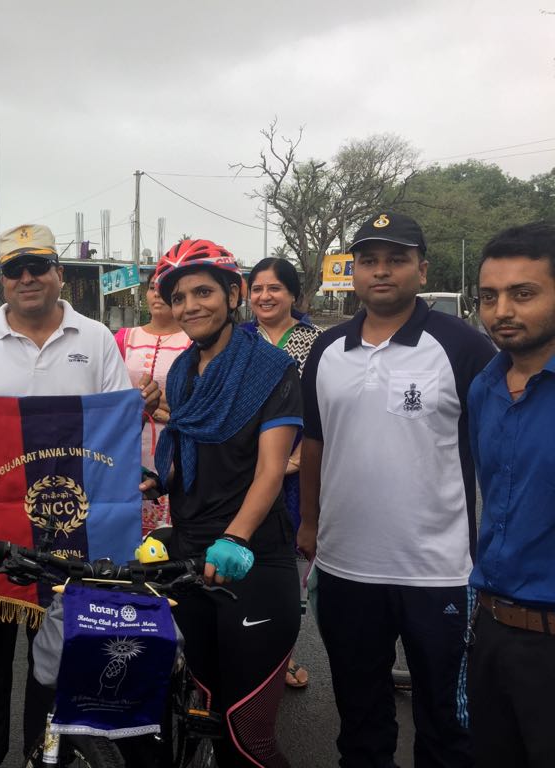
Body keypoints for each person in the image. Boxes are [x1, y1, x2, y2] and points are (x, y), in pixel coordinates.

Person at [0, 223, 158, 768]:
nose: (27, 278)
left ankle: (46, 758)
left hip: (74, 542)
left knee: (56, 672)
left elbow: (114, 432)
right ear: (3, 281)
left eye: (38, 267)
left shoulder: (96, 338)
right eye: (15, 270)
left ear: (59, 273)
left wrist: (139, 403)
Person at [298, 211, 494, 767]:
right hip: (345, 568)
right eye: (368, 260)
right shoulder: (327, 349)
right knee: (360, 720)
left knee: (447, 723)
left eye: (396, 259)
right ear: (352, 271)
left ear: (421, 268)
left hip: (440, 570)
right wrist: (309, 522)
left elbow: (498, 447)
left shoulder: (462, 346)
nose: (381, 271)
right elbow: (313, 443)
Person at [141, 239, 302, 767]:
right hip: (190, 553)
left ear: (233, 294)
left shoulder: (270, 369)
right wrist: (155, 481)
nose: (192, 306)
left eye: (204, 291)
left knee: (244, 732)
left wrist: (235, 537)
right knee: (204, 706)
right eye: (180, 296)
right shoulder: (185, 371)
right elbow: (185, 451)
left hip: (249, 559)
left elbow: (270, 469)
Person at [467, 222, 555, 767]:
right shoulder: (486, 386)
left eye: (524, 294)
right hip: (492, 629)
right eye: (490, 296)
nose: (502, 310)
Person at [240, 257, 322, 690]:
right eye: (257, 289)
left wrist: (294, 463)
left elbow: (324, 410)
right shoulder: (238, 340)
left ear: (293, 294)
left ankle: (281, 657)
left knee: (283, 569)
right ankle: (239, 644)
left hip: (297, 470)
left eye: (275, 288)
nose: (265, 296)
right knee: (238, 554)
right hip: (240, 470)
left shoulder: (316, 342)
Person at [114, 271, 191, 535]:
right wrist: (148, 408)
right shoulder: (125, 338)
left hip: (175, 447)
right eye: (151, 287)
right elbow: (112, 397)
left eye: (164, 287)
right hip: (127, 444)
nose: (156, 293)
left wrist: (160, 412)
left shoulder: (194, 342)